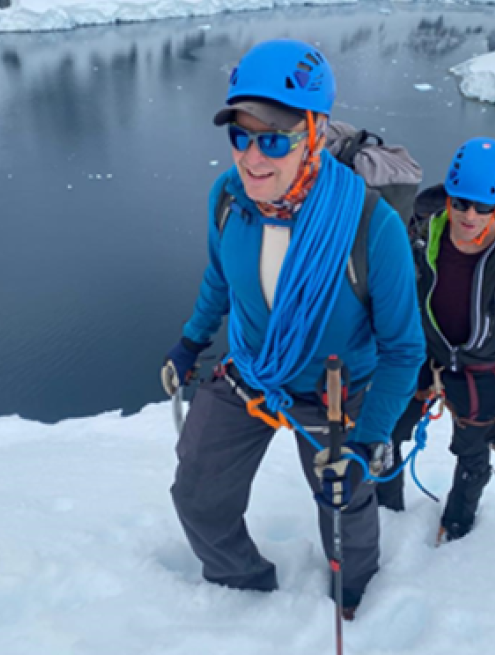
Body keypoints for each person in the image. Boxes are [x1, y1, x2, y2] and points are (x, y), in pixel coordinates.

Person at [161, 38, 424, 618]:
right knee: (197, 493)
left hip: (335, 395)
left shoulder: (368, 226)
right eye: (241, 135)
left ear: (315, 131)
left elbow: (404, 350)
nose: (253, 157)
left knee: (343, 506)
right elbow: (220, 281)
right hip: (251, 372)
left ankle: (352, 592)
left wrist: (365, 441)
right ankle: (243, 591)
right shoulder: (229, 199)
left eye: (274, 138)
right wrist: (191, 342)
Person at [375, 137, 495, 542]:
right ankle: (386, 513)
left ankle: (456, 525)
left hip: (481, 369)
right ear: (449, 196)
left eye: (483, 207)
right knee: (385, 432)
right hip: (418, 355)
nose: (469, 215)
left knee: (473, 455)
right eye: (460, 203)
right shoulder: (417, 234)